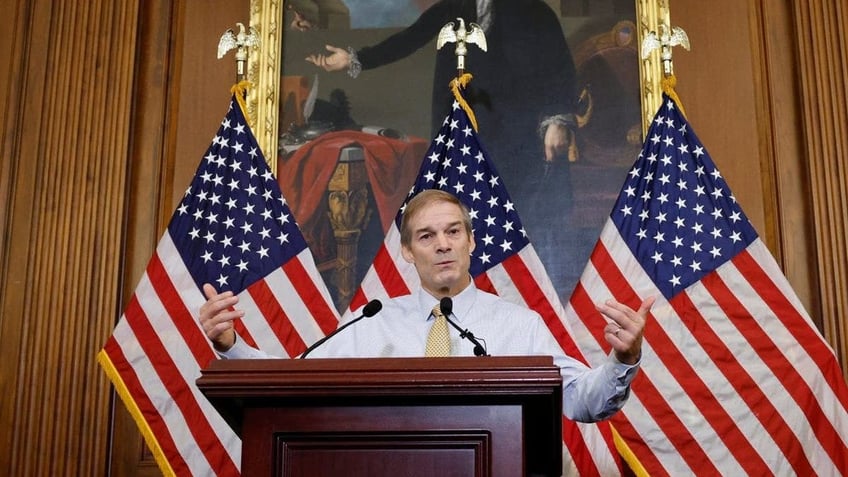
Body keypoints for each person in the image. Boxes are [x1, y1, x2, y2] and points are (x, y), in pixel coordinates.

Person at [200, 189, 653, 422]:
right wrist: (230, 345)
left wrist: (623, 358)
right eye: (426, 236)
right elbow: (292, 383)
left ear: (472, 242)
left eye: (453, 232)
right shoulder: (370, 322)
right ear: (407, 252)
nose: (442, 245)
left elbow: (581, 402)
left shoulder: (520, 324)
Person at [304, 0, 584, 290]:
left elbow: (559, 68)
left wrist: (557, 119)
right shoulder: (452, 9)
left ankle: (533, 301)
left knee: (525, 225)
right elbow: (407, 40)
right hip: (464, 140)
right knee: (460, 225)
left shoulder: (534, 11)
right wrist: (353, 59)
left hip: (522, 140)